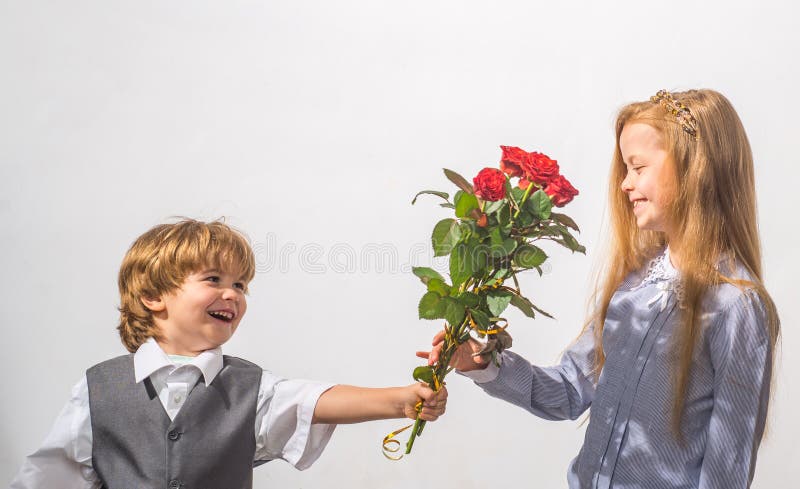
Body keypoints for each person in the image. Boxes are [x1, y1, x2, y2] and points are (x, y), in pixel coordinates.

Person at [419, 89, 780, 488]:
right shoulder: (634, 284)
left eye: (638, 167)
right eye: (625, 169)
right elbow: (571, 388)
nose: (625, 183)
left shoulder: (736, 307)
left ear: (696, 169)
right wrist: (484, 362)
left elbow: (726, 471)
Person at [11, 219, 447, 489]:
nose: (231, 294)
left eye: (240, 285)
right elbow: (49, 475)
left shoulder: (250, 388)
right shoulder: (97, 389)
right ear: (153, 295)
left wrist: (400, 400)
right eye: (214, 278)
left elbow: (313, 400)